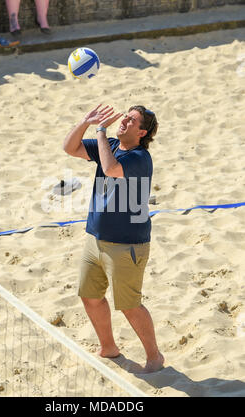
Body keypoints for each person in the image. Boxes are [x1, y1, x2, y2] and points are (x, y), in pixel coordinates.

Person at [63, 104, 164, 373]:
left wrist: (99, 130)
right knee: (90, 296)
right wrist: (85, 121)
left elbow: (110, 168)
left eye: (131, 120)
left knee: (130, 306)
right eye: (125, 116)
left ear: (142, 132)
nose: (124, 121)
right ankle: (109, 347)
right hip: (95, 239)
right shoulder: (108, 144)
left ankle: (154, 356)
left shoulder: (140, 158)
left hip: (127, 245)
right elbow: (69, 148)